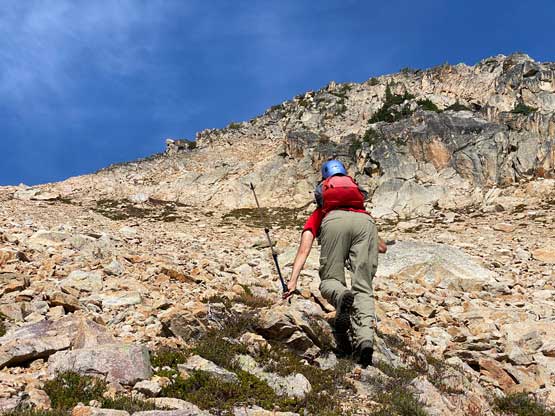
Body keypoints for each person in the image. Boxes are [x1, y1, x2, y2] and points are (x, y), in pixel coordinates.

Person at [283, 159, 386, 367]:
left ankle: (341, 296)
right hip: (366, 225)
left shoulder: (322, 210)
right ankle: (365, 341)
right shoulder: (359, 208)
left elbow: (304, 249)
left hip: (333, 224)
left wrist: (292, 281)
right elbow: (382, 247)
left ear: (324, 184)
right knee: (364, 288)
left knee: (330, 280)